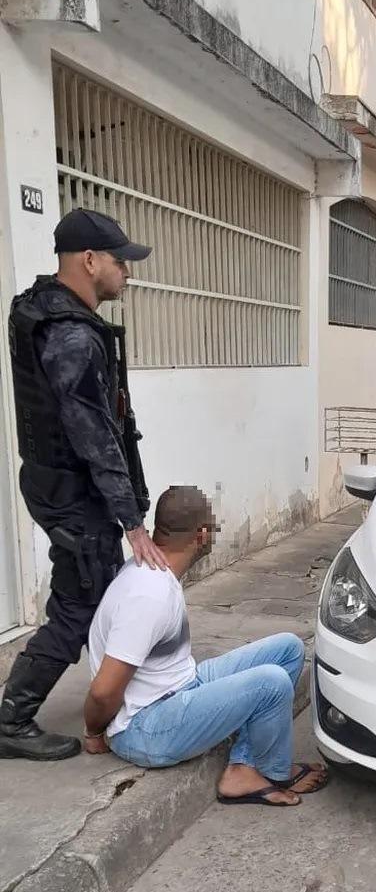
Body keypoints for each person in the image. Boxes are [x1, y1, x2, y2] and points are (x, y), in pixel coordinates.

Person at [1, 208, 167, 761]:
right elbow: (92, 431)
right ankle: (11, 718)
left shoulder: (43, 309)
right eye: (121, 262)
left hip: (57, 482)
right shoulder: (70, 335)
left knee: (98, 593)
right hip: (74, 491)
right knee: (78, 602)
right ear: (89, 260)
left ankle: (116, 692)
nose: (128, 273)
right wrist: (132, 520)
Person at [83, 485, 327, 807]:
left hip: (180, 686)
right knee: (273, 683)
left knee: (289, 649)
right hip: (144, 727)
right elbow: (103, 691)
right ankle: (273, 772)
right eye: (213, 527)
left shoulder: (153, 571)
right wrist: (94, 734)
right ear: (200, 535)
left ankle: (243, 767)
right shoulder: (148, 595)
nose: (214, 534)